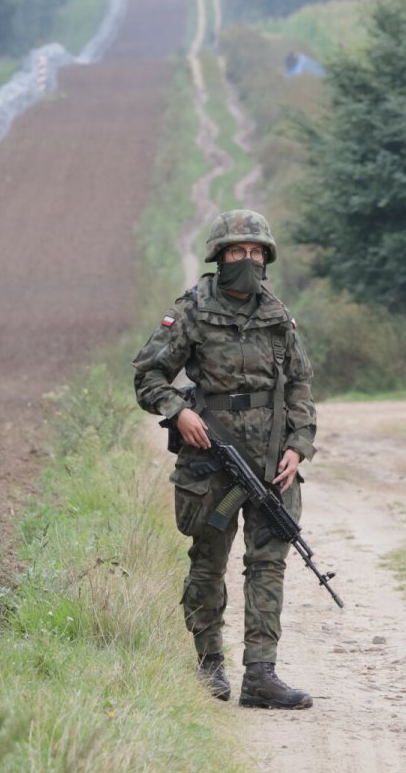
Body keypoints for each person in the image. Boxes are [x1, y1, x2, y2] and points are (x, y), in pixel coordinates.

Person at [131, 209, 316, 709]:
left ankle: (261, 675)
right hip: (211, 461)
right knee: (208, 564)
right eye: (238, 251)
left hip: (271, 465)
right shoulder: (192, 311)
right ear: (220, 256)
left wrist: (298, 446)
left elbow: (300, 386)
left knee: (268, 566)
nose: (248, 260)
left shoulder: (276, 314)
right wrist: (178, 413)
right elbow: (148, 376)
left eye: (256, 252)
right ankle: (210, 664)